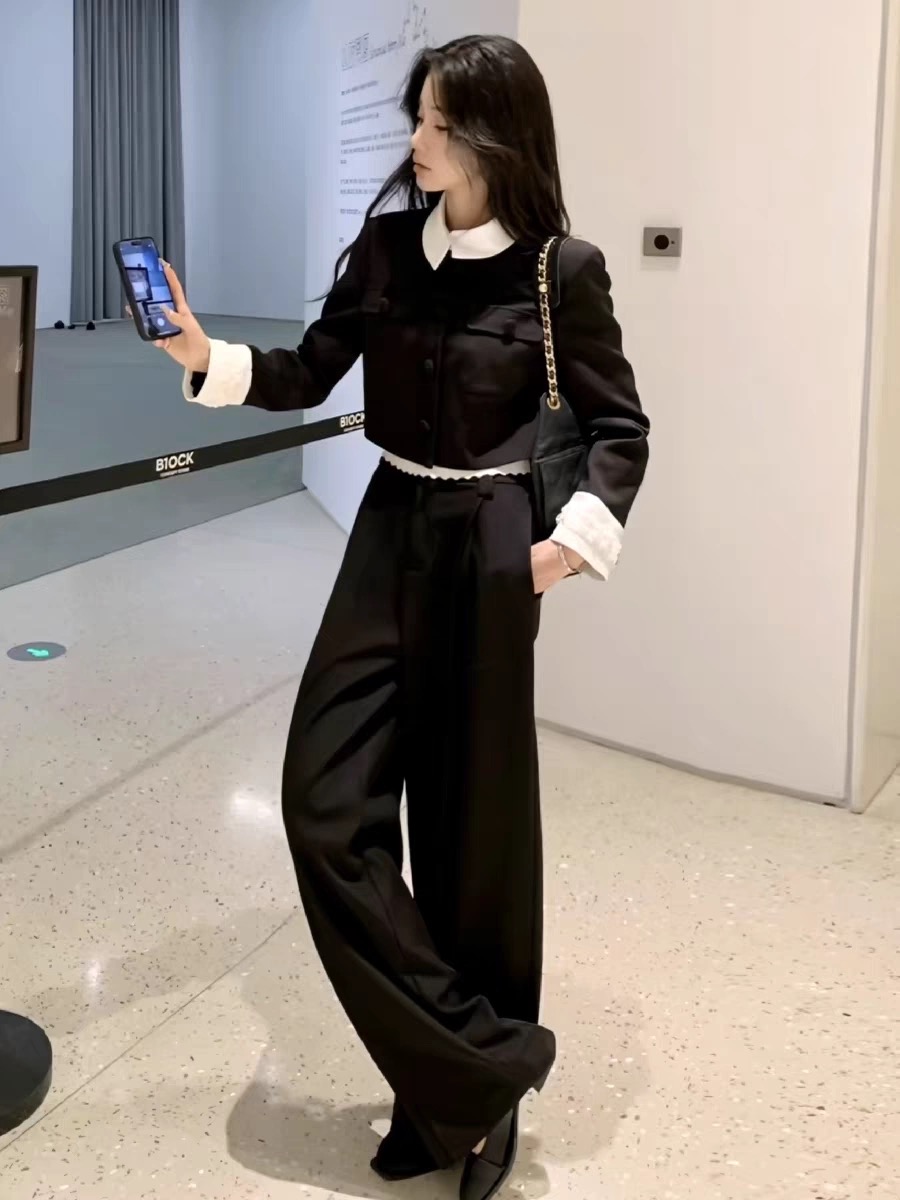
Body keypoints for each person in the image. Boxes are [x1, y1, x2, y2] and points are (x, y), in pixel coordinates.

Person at [152, 34, 648, 1200]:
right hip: (387, 533)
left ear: (494, 137)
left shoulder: (559, 272)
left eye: (438, 124)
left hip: (490, 545)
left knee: (477, 836)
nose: (416, 141)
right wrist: (204, 354)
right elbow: (310, 369)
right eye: (417, 118)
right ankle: (480, 1065)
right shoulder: (385, 249)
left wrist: (563, 549)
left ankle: (454, 1104)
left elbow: (619, 427)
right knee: (324, 807)